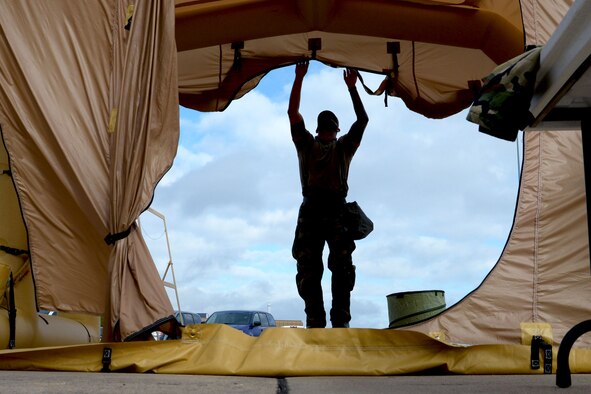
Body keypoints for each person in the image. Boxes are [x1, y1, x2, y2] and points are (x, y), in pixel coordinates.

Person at [287, 61, 369, 328]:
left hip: (312, 211)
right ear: (336, 130)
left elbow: (292, 111)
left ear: (318, 127)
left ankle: (315, 321)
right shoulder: (343, 147)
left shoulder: (306, 144)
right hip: (335, 211)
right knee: (341, 268)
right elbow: (363, 120)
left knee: (309, 268)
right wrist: (352, 89)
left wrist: (299, 77)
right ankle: (340, 323)